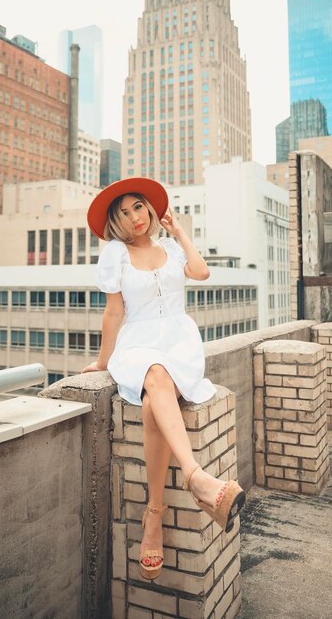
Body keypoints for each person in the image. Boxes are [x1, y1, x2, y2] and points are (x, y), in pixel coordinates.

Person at [83, 177, 245, 581]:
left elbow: (202, 271)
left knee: (157, 400)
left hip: (179, 342)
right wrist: (102, 361)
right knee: (154, 376)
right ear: (115, 223)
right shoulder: (115, 253)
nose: (133, 218)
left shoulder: (171, 248)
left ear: (150, 209)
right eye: (123, 213)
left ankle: (154, 514)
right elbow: (114, 312)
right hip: (138, 344)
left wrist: (180, 232)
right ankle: (197, 479)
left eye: (138, 207)